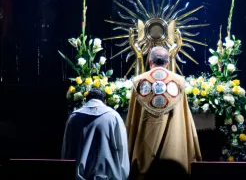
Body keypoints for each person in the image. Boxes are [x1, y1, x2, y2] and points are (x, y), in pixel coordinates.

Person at [126, 46, 202, 180]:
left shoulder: (138, 81)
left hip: (144, 149)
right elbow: (184, 115)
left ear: (150, 62)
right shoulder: (179, 81)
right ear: (168, 63)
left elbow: (133, 117)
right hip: (173, 156)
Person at [61, 88, 130, 180]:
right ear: (104, 101)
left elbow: (67, 148)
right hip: (108, 175)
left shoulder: (74, 117)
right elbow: (121, 146)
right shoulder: (113, 116)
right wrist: (123, 174)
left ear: (86, 100)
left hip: (79, 175)